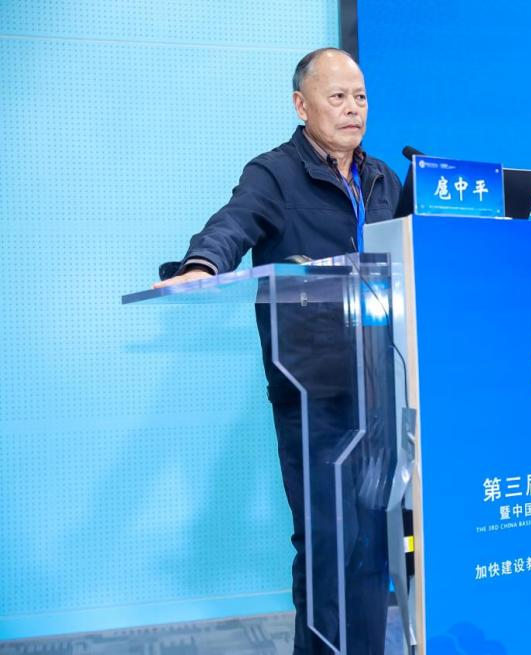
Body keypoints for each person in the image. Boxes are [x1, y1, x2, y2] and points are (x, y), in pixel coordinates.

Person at [154, 47, 401, 655]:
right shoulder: (275, 174)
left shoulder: (383, 178)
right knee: (327, 541)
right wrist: (202, 263)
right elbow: (233, 223)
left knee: (373, 544)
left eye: (360, 97)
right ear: (301, 104)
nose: (353, 108)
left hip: (383, 388)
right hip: (315, 389)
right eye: (337, 97)